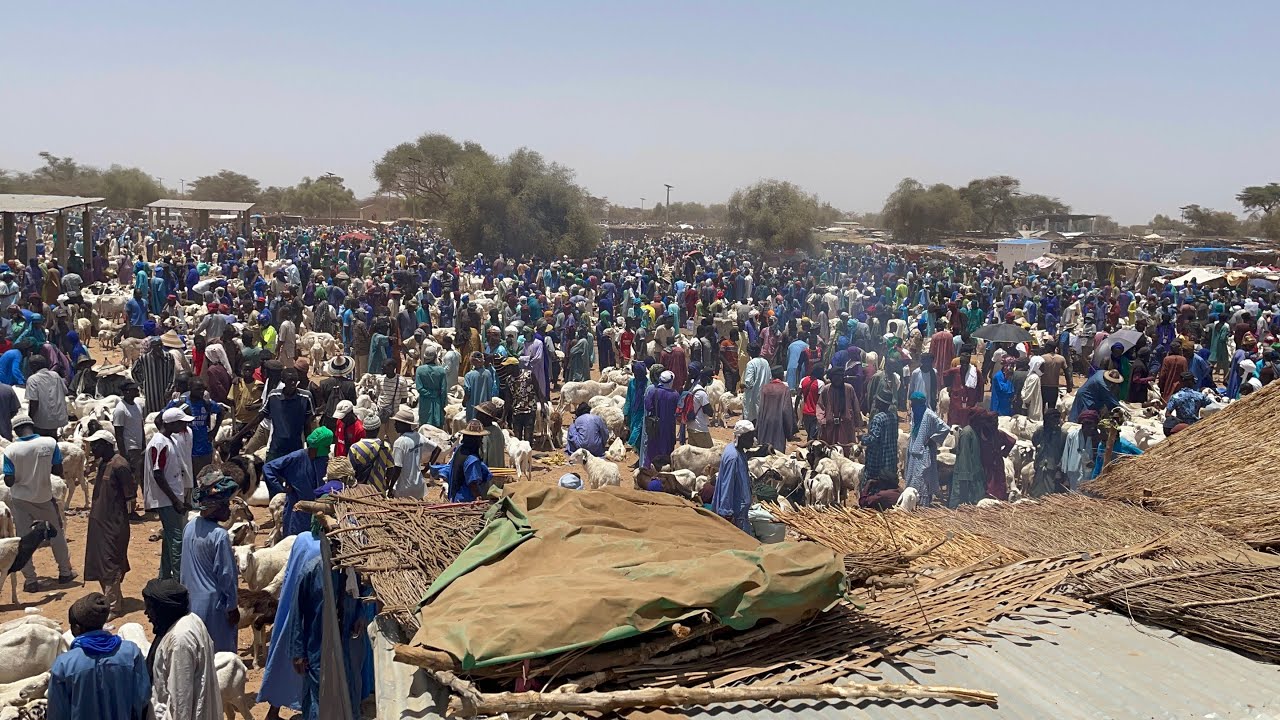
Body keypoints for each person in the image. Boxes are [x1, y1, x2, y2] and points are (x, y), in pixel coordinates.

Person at [48, 593, 152, 720]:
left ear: (77, 627)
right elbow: (142, 697)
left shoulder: (64, 664)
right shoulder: (131, 652)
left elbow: (57, 713)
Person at [3, 413, 73, 592]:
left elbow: (9, 481)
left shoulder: (10, 450)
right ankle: (65, 573)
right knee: (56, 533)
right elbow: (57, 470)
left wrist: (20, 475)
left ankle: (31, 580)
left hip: (20, 500)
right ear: (31, 427)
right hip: (44, 497)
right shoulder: (49, 443)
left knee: (25, 539)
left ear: (17, 431)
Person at [143, 578, 223, 720]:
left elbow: (180, 702)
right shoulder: (192, 620)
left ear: (164, 609)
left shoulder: (179, 641)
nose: (146, 613)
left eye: (150, 607)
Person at [180, 474, 240, 654]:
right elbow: (227, 576)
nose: (229, 509)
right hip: (215, 608)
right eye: (225, 504)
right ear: (215, 507)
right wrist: (232, 606)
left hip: (190, 604)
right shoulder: (219, 536)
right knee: (220, 658)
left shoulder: (190, 526)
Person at [83, 430, 132, 616]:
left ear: (107, 445)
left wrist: (118, 524)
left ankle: (113, 606)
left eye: (96, 444)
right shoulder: (103, 463)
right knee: (101, 561)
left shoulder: (120, 466)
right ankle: (111, 597)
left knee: (110, 562)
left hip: (113, 524)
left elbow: (129, 497)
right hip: (99, 522)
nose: (93, 448)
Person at [145, 407, 192, 580]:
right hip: (167, 500)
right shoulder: (159, 443)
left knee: (169, 538)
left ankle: (164, 577)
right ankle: (180, 580)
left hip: (172, 497)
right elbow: (158, 473)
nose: (185, 425)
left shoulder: (168, 439)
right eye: (182, 422)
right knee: (177, 540)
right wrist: (175, 500)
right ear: (172, 423)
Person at [263, 427, 334, 537]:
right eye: (326, 447)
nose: (329, 450)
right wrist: (281, 487)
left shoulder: (323, 459)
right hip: (297, 510)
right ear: (315, 447)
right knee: (294, 541)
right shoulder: (296, 457)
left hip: (319, 511)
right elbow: (268, 468)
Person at [904, 391, 951, 507]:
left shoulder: (930, 415)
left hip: (924, 452)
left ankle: (923, 504)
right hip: (914, 450)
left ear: (920, 404)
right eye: (912, 404)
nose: (912, 406)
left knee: (923, 477)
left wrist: (932, 439)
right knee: (912, 476)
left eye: (914, 404)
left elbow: (945, 428)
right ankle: (912, 501)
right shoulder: (915, 414)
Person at [713, 421, 755, 533]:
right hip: (736, 516)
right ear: (741, 437)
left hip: (741, 513)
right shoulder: (733, 457)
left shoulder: (736, 451)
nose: (753, 440)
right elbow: (727, 485)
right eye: (750, 437)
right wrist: (726, 513)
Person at [436, 420, 492, 502]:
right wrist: (478, 496)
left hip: (455, 496)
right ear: (475, 440)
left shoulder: (460, 449)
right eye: (480, 438)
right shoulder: (473, 460)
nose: (481, 442)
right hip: (465, 499)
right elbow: (473, 482)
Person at [390, 406, 437, 499]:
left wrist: (390, 487)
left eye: (397, 423)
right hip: (419, 485)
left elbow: (397, 468)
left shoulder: (399, 442)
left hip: (404, 489)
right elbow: (437, 449)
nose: (395, 425)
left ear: (405, 424)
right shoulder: (418, 436)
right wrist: (426, 469)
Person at [969, 408, 1015, 501]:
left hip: (996, 463)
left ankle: (998, 501)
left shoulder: (998, 434)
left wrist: (1003, 453)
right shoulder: (982, 434)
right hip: (985, 464)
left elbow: (1012, 441)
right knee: (987, 483)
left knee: (998, 483)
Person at [861, 388, 898, 489]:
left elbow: (873, 440)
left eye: (877, 400)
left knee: (871, 485)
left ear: (881, 403)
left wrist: (863, 438)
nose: (875, 402)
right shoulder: (893, 416)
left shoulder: (878, 418)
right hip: (890, 459)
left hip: (877, 460)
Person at [26, 355, 68, 437]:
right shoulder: (56, 376)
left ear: (34, 366)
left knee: (41, 444)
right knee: (53, 442)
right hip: (57, 420)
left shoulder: (33, 379)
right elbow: (65, 391)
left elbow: (33, 402)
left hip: (41, 422)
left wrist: (29, 420)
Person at [1029, 408, 1067, 497]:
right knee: (1037, 490)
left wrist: (1059, 468)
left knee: (1051, 492)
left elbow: (1064, 453)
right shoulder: (1040, 431)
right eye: (1053, 419)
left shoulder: (1063, 434)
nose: (1056, 421)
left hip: (1054, 468)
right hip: (1040, 465)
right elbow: (1035, 442)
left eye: (1057, 418)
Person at [133, 337, 176, 416]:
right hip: (151, 392)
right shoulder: (144, 359)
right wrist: (143, 385)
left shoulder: (169, 357)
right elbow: (134, 371)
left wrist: (169, 389)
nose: (159, 348)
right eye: (156, 346)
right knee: (152, 415)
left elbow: (172, 374)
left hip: (166, 391)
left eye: (160, 345)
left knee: (166, 414)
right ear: (152, 347)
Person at [644, 370, 679, 466]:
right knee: (667, 449)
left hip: (655, 426)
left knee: (653, 448)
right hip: (669, 427)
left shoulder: (653, 392)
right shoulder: (675, 395)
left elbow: (648, 406)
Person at [1061, 409, 1101, 491]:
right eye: (1085, 424)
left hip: (1090, 475)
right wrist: (1065, 477)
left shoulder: (1098, 437)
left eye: (1091, 425)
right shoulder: (1072, 435)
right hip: (1073, 473)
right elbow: (1066, 454)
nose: (1088, 427)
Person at [414, 347, 448, 428]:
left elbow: (419, 388)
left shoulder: (419, 370)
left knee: (424, 426)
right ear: (435, 357)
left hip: (424, 402)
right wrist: (443, 404)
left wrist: (429, 394)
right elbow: (443, 390)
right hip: (438, 402)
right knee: (437, 427)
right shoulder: (441, 371)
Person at [462, 351, 498, 420]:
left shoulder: (469, 375)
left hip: (472, 407)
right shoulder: (488, 373)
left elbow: (467, 391)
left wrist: (464, 402)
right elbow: (491, 388)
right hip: (486, 408)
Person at [685, 369, 714, 449]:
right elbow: (709, 411)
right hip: (700, 428)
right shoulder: (701, 393)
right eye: (711, 378)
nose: (712, 380)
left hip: (691, 426)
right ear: (706, 378)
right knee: (709, 452)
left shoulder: (693, 388)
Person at [741, 344, 770, 423]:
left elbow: (749, 383)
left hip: (753, 396)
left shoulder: (751, 364)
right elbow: (770, 378)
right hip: (764, 395)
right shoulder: (766, 362)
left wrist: (743, 385)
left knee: (751, 418)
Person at [798, 365, 823, 441]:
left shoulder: (803, 380)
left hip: (805, 412)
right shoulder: (820, 383)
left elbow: (798, 396)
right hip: (815, 413)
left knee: (809, 434)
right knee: (813, 437)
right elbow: (821, 400)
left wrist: (797, 411)